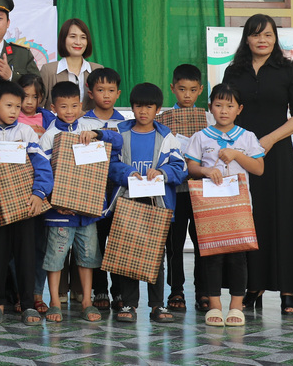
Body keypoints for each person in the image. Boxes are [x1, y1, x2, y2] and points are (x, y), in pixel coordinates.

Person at [223, 14, 293, 316]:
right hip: (242, 154)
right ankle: (253, 286)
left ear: (275, 38)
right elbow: (225, 109)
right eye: (256, 34)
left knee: (283, 217)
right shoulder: (234, 71)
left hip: (277, 152)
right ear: (246, 38)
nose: (262, 40)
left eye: (268, 35)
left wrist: (270, 140)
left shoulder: (288, 70)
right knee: (249, 217)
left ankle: (287, 291)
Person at [183, 83, 266, 327]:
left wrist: (237, 154)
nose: (223, 110)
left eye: (230, 106)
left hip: (239, 206)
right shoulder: (201, 137)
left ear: (239, 109)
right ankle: (215, 306)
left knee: (238, 256)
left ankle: (236, 307)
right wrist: (206, 170)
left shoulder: (247, 137)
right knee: (212, 256)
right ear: (210, 107)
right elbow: (191, 167)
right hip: (210, 207)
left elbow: (259, 168)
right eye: (218, 105)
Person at [39, 81, 121, 324]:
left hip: (88, 211)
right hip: (60, 212)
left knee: (88, 256)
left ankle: (87, 300)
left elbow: (118, 142)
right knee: (56, 258)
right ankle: (55, 301)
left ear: (81, 106)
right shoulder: (49, 136)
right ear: (53, 107)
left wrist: (98, 134)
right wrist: (53, 201)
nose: (70, 111)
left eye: (74, 106)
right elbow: (43, 171)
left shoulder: (88, 127)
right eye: (64, 106)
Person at [0, 80, 53, 326]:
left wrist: (39, 194)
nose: (14, 111)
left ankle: (27, 304)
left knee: (26, 256)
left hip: (25, 206)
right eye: (8, 105)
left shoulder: (26, 133)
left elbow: (42, 165)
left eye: (17, 107)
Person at [111, 83, 187, 324]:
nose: (143, 111)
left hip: (157, 203)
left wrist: (162, 173)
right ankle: (129, 304)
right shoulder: (120, 134)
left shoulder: (167, 137)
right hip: (127, 200)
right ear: (132, 107)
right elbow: (110, 163)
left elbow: (181, 167)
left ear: (158, 109)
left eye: (149, 106)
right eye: (138, 106)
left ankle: (157, 305)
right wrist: (127, 172)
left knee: (156, 256)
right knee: (128, 255)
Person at [155, 63, 215, 314]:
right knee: (174, 243)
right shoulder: (162, 120)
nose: (187, 95)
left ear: (200, 90)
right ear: (172, 88)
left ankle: (204, 291)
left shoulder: (209, 118)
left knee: (203, 243)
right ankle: (176, 290)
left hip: (202, 190)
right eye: (181, 89)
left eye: (192, 90)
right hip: (174, 191)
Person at [81, 67, 124, 311]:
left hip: (118, 190)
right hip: (91, 190)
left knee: (117, 241)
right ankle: (100, 289)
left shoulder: (124, 123)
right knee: (95, 242)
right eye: (100, 90)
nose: (106, 95)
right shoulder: (81, 122)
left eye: (111, 90)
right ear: (90, 93)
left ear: (118, 93)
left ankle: (118, 291)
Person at [40, 18, 103, 111]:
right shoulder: (48, 70)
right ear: (63, 39)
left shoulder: (97, 70)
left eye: (83, 37)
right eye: (73, 36)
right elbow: (38, 106)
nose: (78, 42)